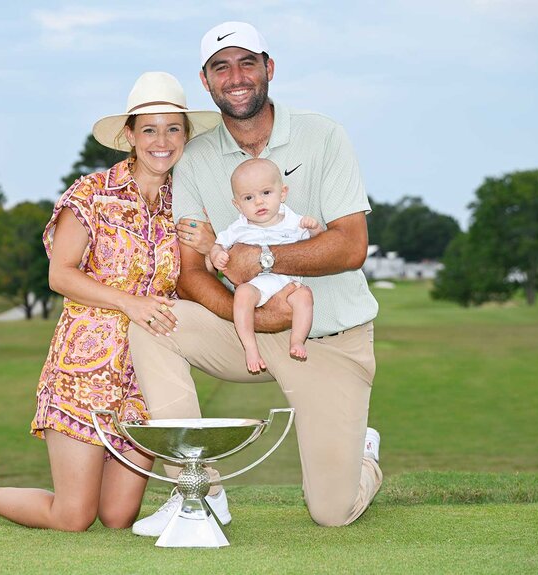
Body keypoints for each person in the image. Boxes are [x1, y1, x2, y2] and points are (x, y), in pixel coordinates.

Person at [129, 22, 383, 536]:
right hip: (244, 330)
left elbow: (352, 246)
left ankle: (365, 455)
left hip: (328, 340)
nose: (236, 77)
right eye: (222, 67)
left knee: (330, 512)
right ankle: (199, 489)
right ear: (206, 81)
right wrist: (253, 317)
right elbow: (189, 272)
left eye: (248, 63)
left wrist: (263, 260)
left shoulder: (323, 134)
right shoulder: (196, 157)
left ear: (269, 68)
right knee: (153, 322)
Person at [0, 71, 221, 531]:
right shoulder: (92, 193)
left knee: (117, 516)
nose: (162, 141)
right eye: (149, 129)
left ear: (186, 136)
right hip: (85, 371)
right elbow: (60, 274)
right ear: (129, 135)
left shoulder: (190, 205)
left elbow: (195, 285)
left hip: (147, 376)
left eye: (173, 128)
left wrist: (213, 250)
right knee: (74, 516)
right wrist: (129, 303)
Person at [209, 158, 322, 372]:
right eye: (249, 197)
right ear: (238, 204)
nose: (259, 202)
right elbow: (218, 245)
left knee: (305, 296)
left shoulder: (294, 221)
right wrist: (217, 256)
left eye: (266, 193)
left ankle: (297, 340)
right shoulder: (238, 228)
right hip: (258, 284)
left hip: (288, 282)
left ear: (283, 193)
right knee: (242, 295)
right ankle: (250, 347)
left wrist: (314, 228)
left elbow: (317, 245)